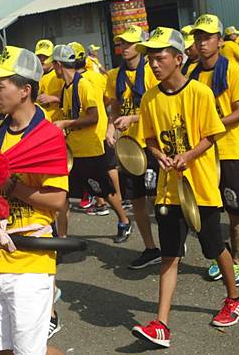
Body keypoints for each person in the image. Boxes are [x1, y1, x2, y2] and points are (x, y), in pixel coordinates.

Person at [131, 27, 239, 349]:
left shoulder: (199, 93)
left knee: (213, 247)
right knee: (169, 255)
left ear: (178, 58)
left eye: (159, 58)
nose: (153, 65)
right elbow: (150, 138)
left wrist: (188, 155)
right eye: (150, 59)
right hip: (169, 189)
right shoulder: (150, 98)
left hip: (200, 186)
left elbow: (211, 135)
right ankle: (161, 324)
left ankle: (235, 298)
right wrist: (158, 155)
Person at [0, 46, 67, 355]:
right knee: (0, 350)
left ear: (25, 90)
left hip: (30, 262)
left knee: (30, 352)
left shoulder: (48, 136)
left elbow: (57, 201)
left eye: (0, 86)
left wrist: (13, 187)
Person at [190, 14, 239, 286]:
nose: (202, 43)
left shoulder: (233, 70)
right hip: (202, 154)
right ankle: (220, 258)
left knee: (235, 210)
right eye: (198, 37)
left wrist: (209, 126)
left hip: (230, 150)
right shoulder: (191, 74)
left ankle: (237, 263)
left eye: (207, 37)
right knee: (207, 210)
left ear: (218, 40)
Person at [52, 44, 132, 243]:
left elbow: (94, 116)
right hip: (73, 150)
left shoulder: (83, 84)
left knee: (104, 189)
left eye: (54, 65)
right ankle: (61, 238)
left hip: (90, 150)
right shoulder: (66, 88)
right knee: (62, 194)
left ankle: (124, 221)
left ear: (59, 65)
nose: (54, 69)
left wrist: (66, 123)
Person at [104, 26, 161, 269]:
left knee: (157, 197)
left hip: (152, 143)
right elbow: (115, 105)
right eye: (121, 44)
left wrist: (133, 119)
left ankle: (171, 241)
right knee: (136, 199)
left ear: (140, 46)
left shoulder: (151, 72)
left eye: (129, 43)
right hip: (129, 148)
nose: (124, 48)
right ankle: (150, 248)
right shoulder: (113, 75)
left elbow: (159, 110)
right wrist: (111, 127)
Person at [70, 41, 123, 218]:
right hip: (99, 131)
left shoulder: (81, 82)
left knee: (102, 174)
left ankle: (110, 206)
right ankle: (115, 201)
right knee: (108, 168)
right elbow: (108, 99)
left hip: (92, 134)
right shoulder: (97, 77)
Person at [36, 39, 64, 122]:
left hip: (57, 123)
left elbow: (71, 98)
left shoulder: (59, 75)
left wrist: (53, 98)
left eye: (45, 57)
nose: (42, 60)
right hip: (41, 124)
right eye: (39, 56)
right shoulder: (36, 76)